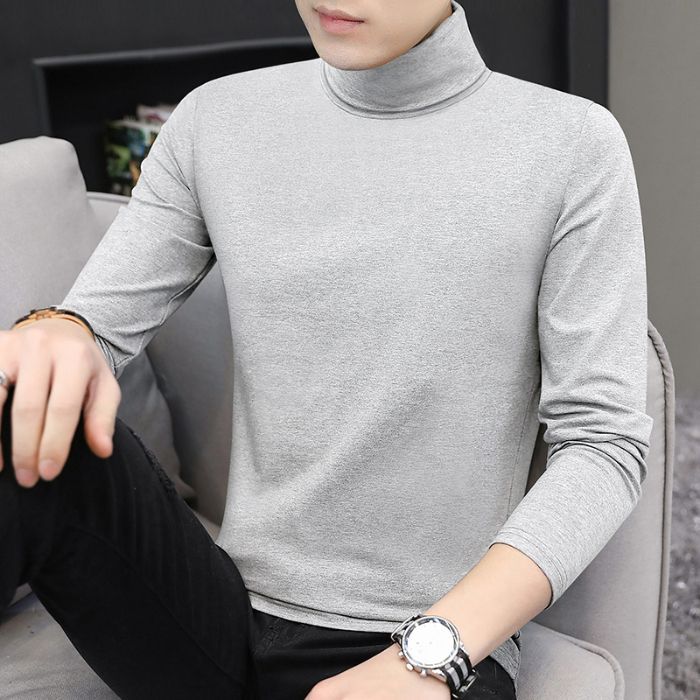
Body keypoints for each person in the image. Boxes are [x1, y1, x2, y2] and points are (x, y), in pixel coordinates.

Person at [0, 0, 654, 698]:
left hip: (424, 635)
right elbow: (92, 324)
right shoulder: (218, 120)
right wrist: (57, 333)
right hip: (216, 613)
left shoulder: (571, 144)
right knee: (20, 404)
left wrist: (433, 654)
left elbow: (603, 444)